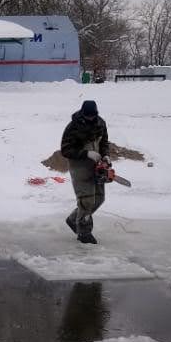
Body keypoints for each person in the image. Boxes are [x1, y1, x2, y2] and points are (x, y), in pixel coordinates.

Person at [59, 99, 111, 245]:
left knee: (99, 199)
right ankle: (84, 232)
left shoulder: (100, 123)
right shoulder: (73, 126)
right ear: (83, 113)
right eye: (87, 116)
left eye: (92, 116)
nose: (90, 118)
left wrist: (105, 155)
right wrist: (86, 153)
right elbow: (66, 149)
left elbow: (104, 142)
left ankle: (73, 219)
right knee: (87, 200)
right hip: (79, 165)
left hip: (97, 164)